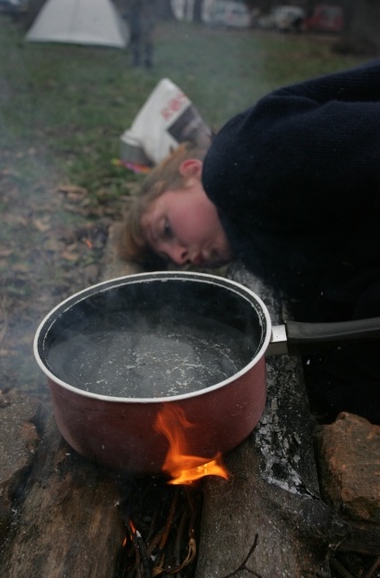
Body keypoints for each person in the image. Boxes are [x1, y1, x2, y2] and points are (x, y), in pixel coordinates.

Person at [119, 59, 380, 424]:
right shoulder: (266, 247)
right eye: (172, 259)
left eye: (165, 229)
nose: (181, 256)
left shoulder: (237, 162)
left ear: (192, 173)